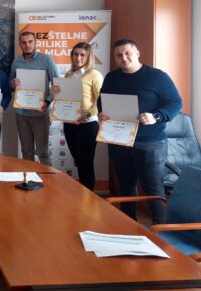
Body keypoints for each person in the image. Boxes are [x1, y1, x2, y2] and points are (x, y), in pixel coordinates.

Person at [98, 38, 182, 224]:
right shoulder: (111, 77)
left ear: (137, 53)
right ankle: (129, 225)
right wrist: (101, 113)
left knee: (153, 190)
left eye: (128, 53)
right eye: (119, 55)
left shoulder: (157, 76)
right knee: (126, 186)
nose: (124, 58)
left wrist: (156, 116)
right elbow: (101, 100)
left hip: (150, 143)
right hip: (119, 140)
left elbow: (176, 102)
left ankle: (161, 231)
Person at [50, 42, 103, 190]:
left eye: (82, 55)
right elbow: (65, 98)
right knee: (79, 162)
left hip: (87, 125)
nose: (78, 58)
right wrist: (55, 93)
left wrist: (88, 113)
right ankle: (83, 195)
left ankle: (89, 198)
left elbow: (101, 100)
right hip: (70, 124)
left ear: (89, 57)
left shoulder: (94, 75)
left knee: (86, 164)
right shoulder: (69, 74)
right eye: (75, 54)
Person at [10, 32, 59, 165]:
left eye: (30, 42)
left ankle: (47, 179)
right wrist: (13, 83)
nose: (27, 45)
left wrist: (47, 102)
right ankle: (30, 177)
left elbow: (57, 85)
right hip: (21, 114)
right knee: (26, 151)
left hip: (40, 114)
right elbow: (10, 83)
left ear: (35, 42)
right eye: (24, 42)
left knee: (43, 152)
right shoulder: (16, 62)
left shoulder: (46, 60)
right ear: (20, 44)